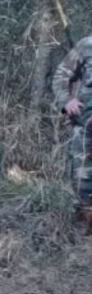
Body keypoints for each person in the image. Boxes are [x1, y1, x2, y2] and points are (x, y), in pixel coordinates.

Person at [52, 35, 92, 234]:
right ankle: (83, 228)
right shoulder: (87, 45)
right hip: (85, 126)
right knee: (82, 177)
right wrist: (66, 102)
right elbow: (60, 76)